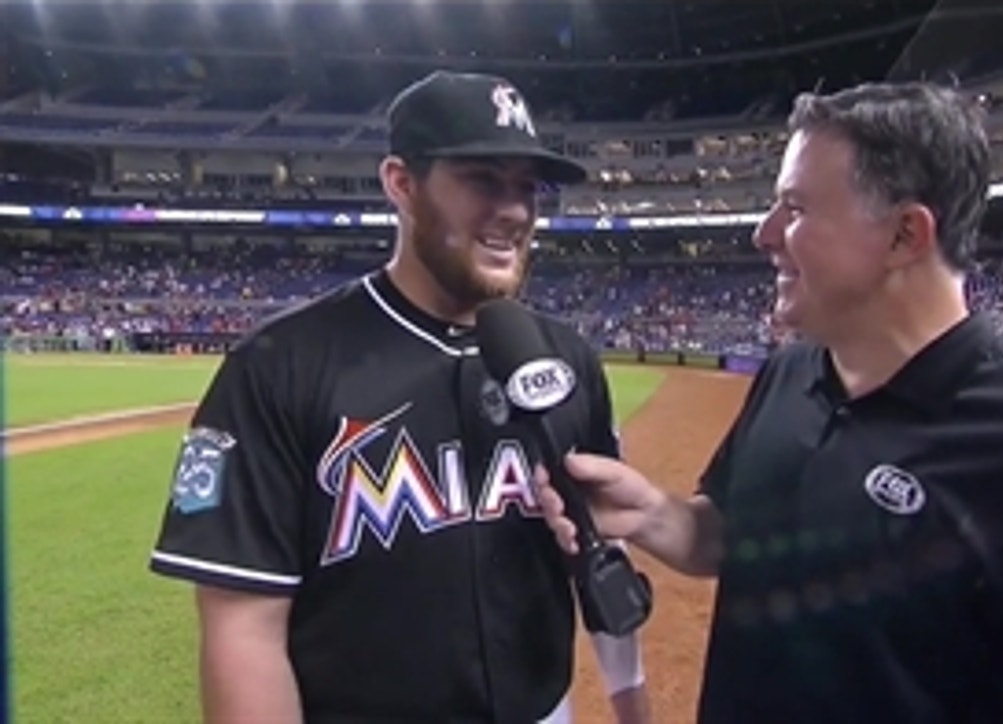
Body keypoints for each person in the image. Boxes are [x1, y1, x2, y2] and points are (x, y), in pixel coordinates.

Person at [535, 83, 1003, 723]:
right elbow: (731, 535)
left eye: (794, 208)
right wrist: (653, 514)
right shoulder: (788, 376)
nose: (763, 234)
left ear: (905, 235)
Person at [148, 70, 651, 724]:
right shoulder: (278, 366)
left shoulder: (568, 360)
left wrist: (633, 706)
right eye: (482, 180)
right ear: (401, 184)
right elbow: (243, 629)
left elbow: (600, 562)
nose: (516, 211)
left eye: (527, 188)